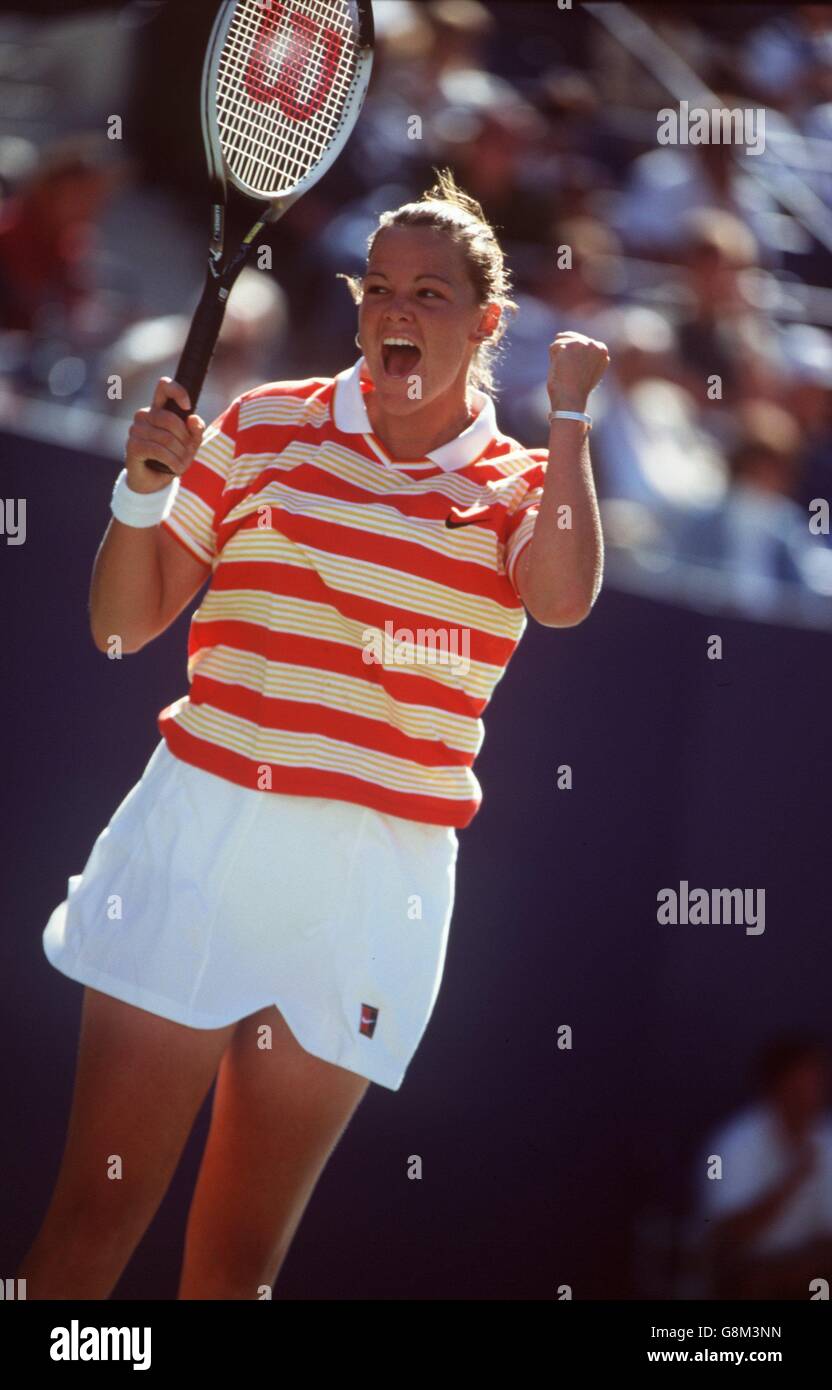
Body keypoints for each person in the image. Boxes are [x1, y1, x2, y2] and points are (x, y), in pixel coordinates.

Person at [21, 170, 607, 1300]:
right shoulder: (262, 425)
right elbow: (120, 625)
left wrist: (571, 417)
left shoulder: (521, 485)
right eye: (378, 287)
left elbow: (564, 596)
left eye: (430, 295)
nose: (396, 312)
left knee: (235, 1270)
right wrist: (140, 495)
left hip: (371, 885)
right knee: (91, 1226)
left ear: (487, 324)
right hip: (204, 834)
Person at [698, 1034, 832, 1299]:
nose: (813, 1091)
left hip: (815, 1266)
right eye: (802, 1082)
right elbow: (729, 1233)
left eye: (818, 1080)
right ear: (777, 1085)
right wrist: (792, 1180)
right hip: (751, 1271)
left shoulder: (827, 1137)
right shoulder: (733, 1144)